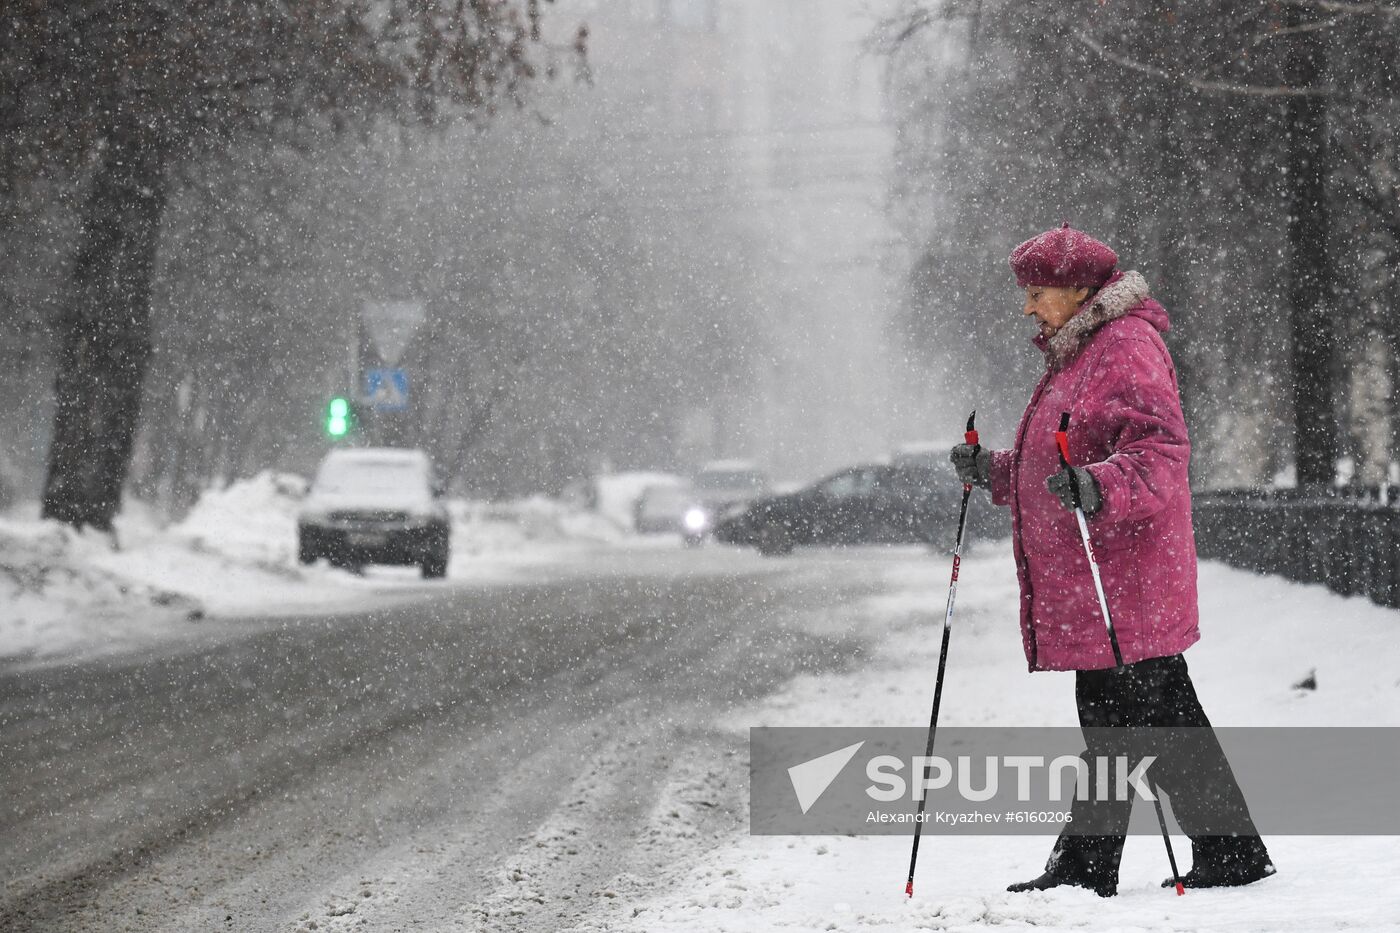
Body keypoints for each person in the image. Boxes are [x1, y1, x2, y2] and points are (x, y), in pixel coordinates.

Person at [949, 223, 1275, 897]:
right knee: (1131, 723)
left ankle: (1111, 863)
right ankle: (1204, 853)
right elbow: (1059, 463)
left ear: (1077, 290)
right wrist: (995, 471)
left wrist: (1101, 486)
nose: (1027, 307)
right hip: (1107, 581)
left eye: (1036, 292)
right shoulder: (1079, 352)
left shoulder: (1124, 345)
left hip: (1126, 578)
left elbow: (1160, 452)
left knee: (1134, 722)